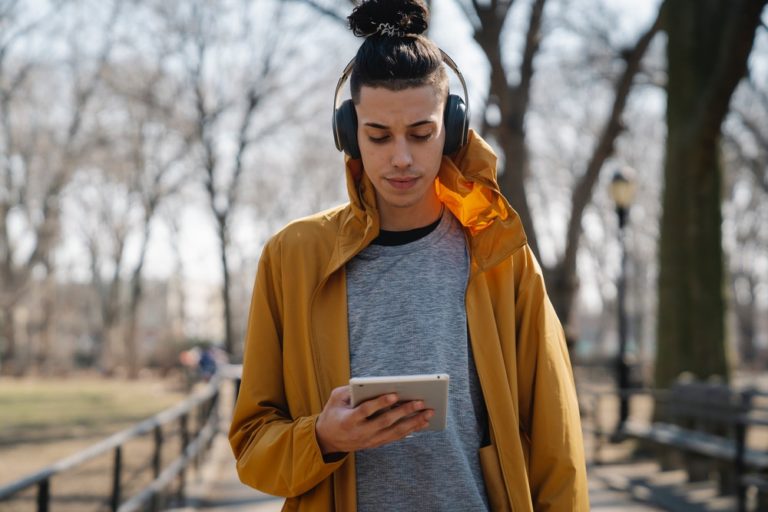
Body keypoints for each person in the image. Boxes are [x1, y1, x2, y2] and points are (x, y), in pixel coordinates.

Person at [228, 0, 589, 510]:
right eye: (378, 136)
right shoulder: (292, 257)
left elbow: (557, 443)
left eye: (422, 134)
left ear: (455, 129)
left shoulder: (499, 253)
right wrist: (323, 438)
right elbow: (251, 446)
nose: (401, 157)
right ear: (349, 134)